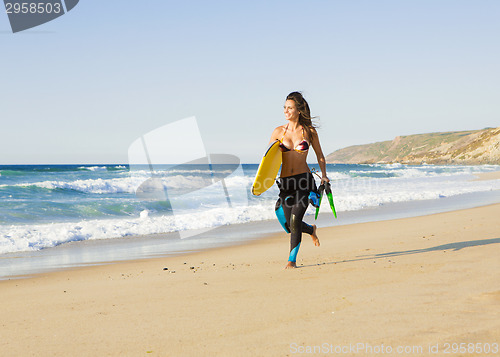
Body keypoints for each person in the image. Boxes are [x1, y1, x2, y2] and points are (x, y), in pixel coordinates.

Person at [268, 92, 330, 269]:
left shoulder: (309, 131)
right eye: (285, 108)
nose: (286, 111)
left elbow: (320, 155)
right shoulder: (278, 132)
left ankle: (291, 261)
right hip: (286, 183)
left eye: (290, 108)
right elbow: (269, 160)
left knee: (295, 221)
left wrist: (324, 175)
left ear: (298, 110)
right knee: (288, 225)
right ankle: (311, 229)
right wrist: (264, 179)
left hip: (304, 181)